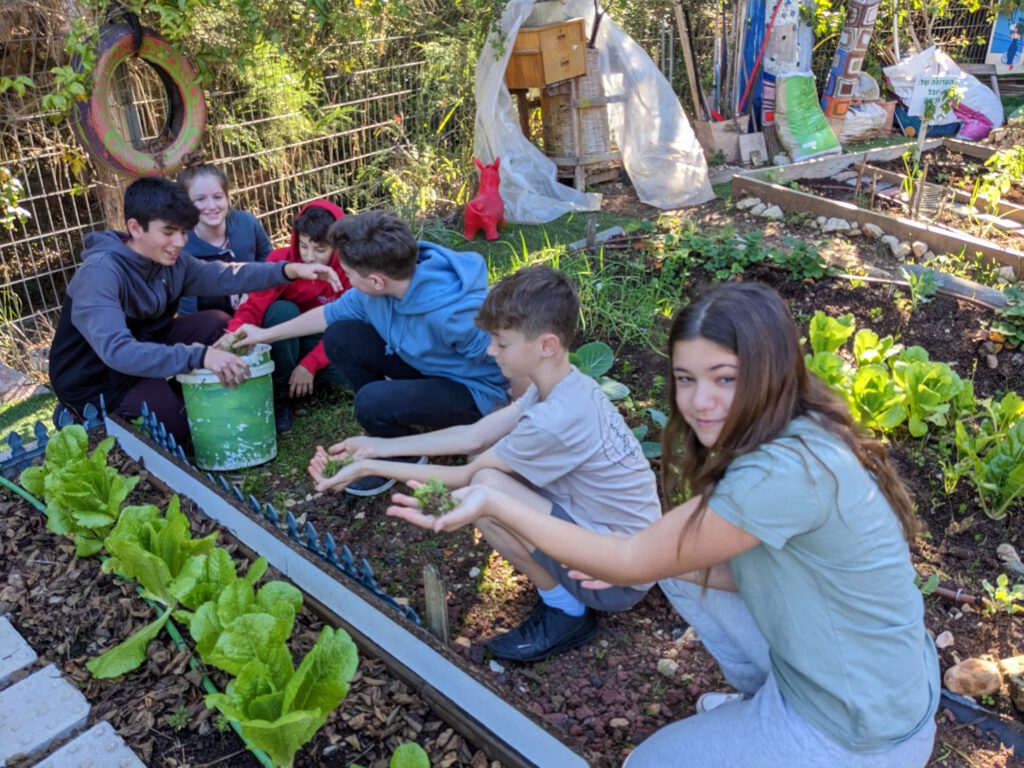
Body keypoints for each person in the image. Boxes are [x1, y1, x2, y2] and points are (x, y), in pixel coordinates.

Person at [387, 281, 939, 767]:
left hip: (861, 728)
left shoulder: (780, 472)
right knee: (680, 568)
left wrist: (490, 501)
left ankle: (779, 723)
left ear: (770, 371)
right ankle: (762, 698)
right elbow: (675, 557)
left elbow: (630, 561)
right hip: (879, 674)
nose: (701, 402)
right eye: (685, 378)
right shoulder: (790, 425)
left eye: (724, 377)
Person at [308, 265, 662, 663]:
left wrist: (371, 467)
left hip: (615, 576)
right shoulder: (563, 385)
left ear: (546, 345)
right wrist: (374, 447)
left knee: (485, 489)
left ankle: (566, 609)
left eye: (502, 342)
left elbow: (463, 476)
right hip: (619, 545)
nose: (491, 351)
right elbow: (471, 436)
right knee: (486, 466)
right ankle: (558, 584)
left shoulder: (554, 420)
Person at [48, 177, 341, 447]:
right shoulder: (100, 274)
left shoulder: (172, 262)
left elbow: (226, 276)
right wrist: (200, 356)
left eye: (183, 232)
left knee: (218, 324)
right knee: (179, 431)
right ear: (135, 227)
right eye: (169, 232)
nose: (180, 242)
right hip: (98, 378)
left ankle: (174, 393)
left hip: (148, 346)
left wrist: (289, 270)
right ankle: (81, 415)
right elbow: (118, 351)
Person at [234, 210, 509, 495]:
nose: (349, 281)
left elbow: (510, 365)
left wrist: (503, 427)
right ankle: (396, 430)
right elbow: (329, 314)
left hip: (476, 393)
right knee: (340, 335)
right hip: (431, 370)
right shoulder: (379, 289)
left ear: (377, 281)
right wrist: (263, 334)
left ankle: (401, 453)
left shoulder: (456, 316)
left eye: (350, 275)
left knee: (370, 401)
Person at [224, 201, 351, 433]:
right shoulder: (281, 261)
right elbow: (253, 305)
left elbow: (347, 325)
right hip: (281, 338)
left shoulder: (349, 270)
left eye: (320, 249)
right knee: (282, 310)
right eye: (303, 246)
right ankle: (282, 395)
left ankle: (307, 379)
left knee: (350, 376)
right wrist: (233, 335)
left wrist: (309, 365)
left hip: (324, 339)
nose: (309, 257)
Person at [176, 158, 273, 314]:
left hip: (254, 306)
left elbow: (269, 259)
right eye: (200, 199)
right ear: (186, 203)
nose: (212, 206)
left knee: (283, 310)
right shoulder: (180, 243)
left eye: (217, 197)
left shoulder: (247, 223)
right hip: (213, 321)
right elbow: (186, 305)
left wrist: (254, 294)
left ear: (227, 197)